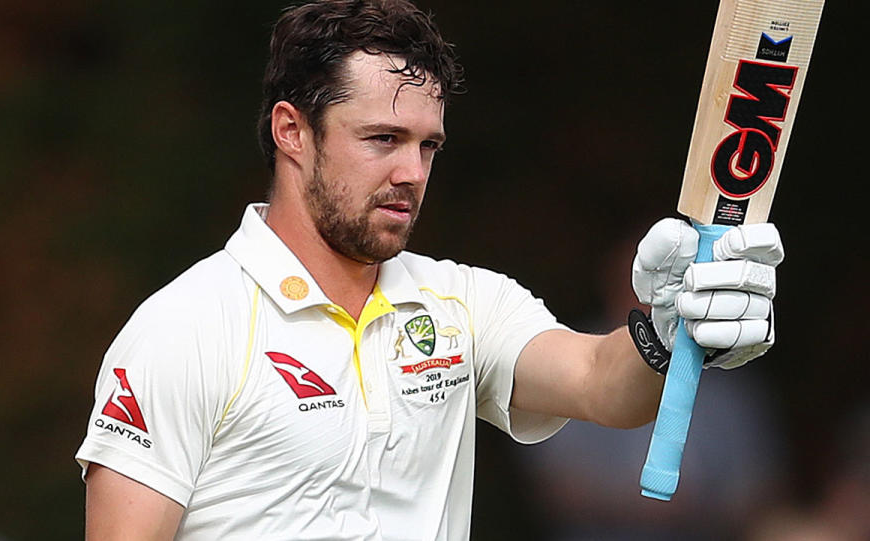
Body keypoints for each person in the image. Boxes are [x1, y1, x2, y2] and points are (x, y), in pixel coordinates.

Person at [75, 1, 785, 539]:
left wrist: (664, 328)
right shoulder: (186, 327)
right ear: (292, 131)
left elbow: (605, 385)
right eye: (382, 139)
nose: (411, 173)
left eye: (428, 146)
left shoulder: (459, 302)